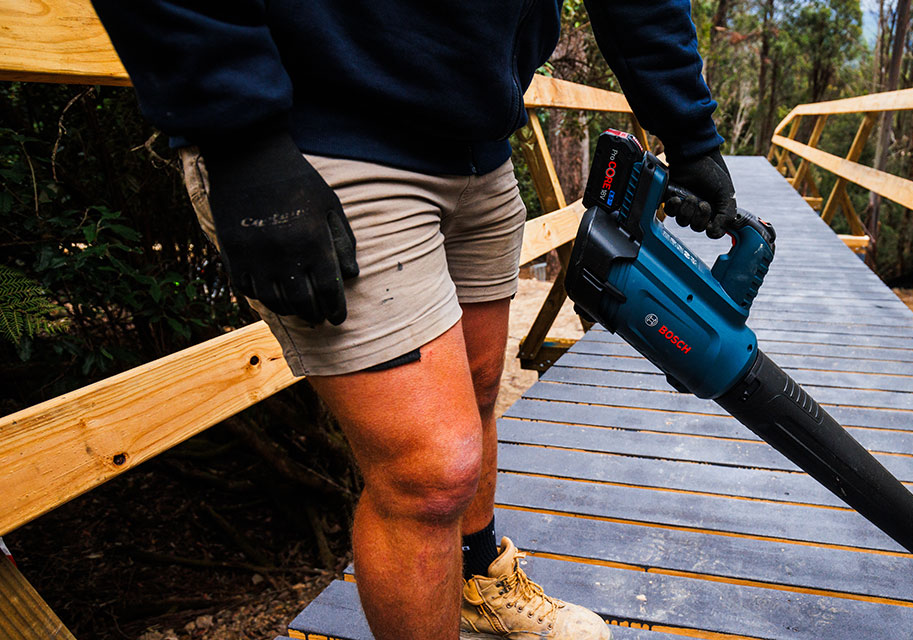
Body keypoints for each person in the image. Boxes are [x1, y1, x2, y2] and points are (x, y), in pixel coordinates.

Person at [89, 1, 738, 638]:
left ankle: (480, 583)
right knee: (430, 474)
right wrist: (241, 137)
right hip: (317, 139)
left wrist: (690, 136)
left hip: (478, 146)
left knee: (481, 389)